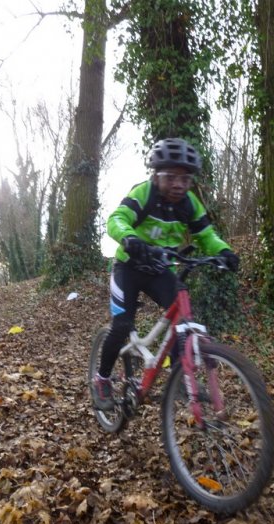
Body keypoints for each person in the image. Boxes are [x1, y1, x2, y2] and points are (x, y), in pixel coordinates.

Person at [93, 137, 239, 411]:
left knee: (184, 318)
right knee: (122, 326)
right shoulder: (144, 193)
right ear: (156, 174)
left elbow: (206, 235)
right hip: (129, 268)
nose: (178, 184)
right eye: (171, 176)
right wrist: (130, 239)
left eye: (185, 179)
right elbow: (116, 219)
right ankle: (101, 379)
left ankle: (180, 380)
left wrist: (225, 251)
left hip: (161, 269)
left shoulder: (189, 203)